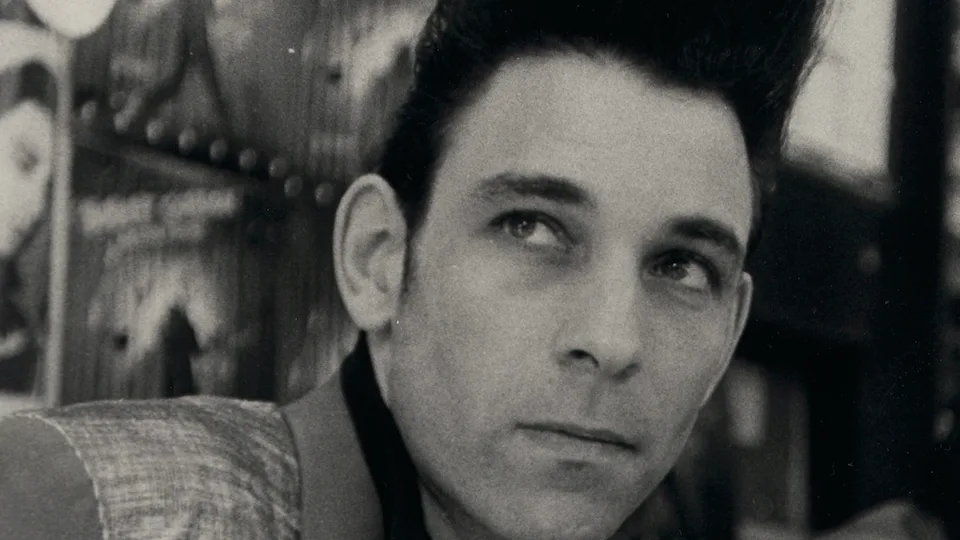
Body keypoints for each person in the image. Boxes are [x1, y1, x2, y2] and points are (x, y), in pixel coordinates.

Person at [2, 0, 921, 538]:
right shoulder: (87, 509)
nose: (612, 339)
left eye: (681, 266)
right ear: (377, 258)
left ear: (729, 334)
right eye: (533, 227)